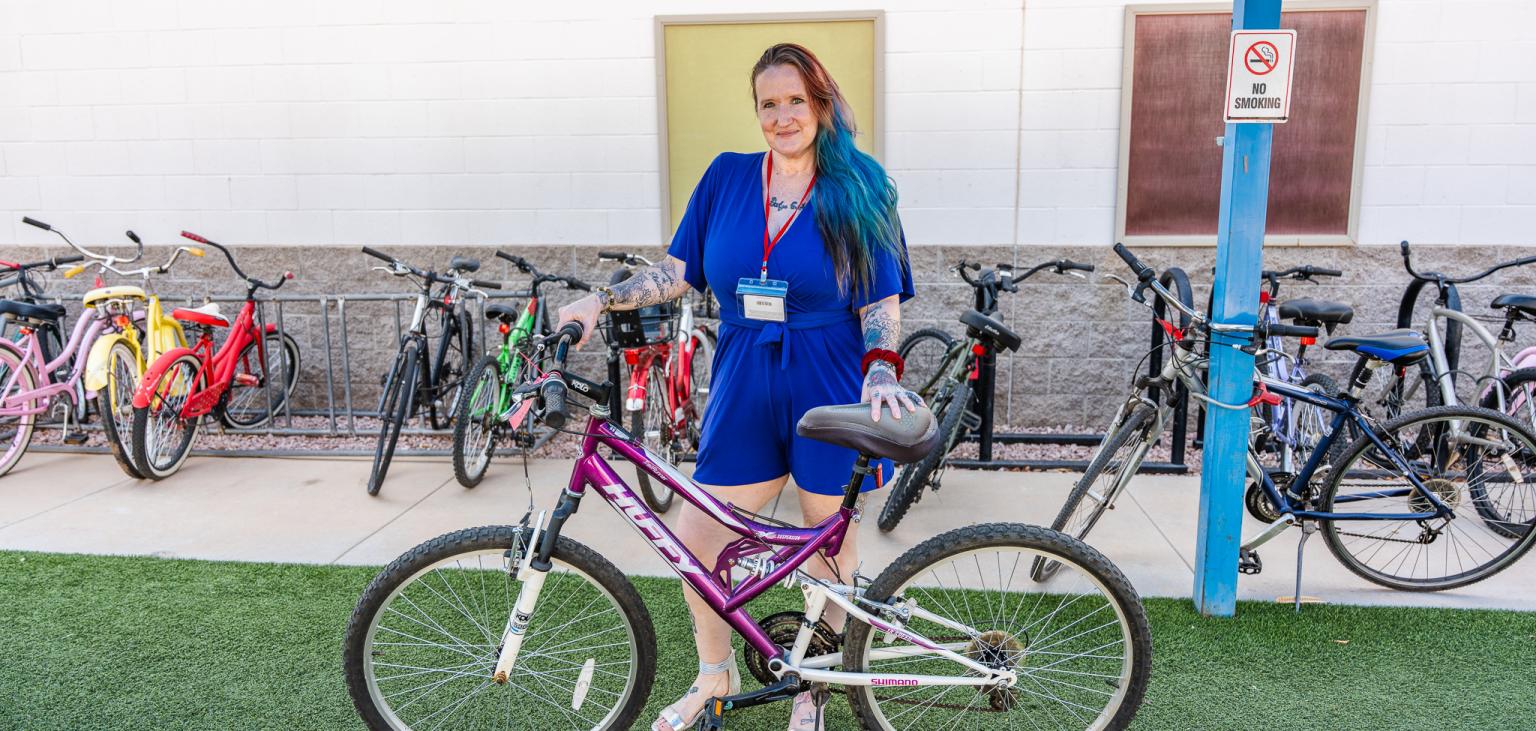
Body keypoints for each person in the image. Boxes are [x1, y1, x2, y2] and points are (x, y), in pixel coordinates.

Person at [556, 42, 916, 731]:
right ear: (757, 111)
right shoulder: (725, 178)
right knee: (696, 538)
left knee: (828, 546)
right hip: (745, 373)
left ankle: (808, 687)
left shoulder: (861, 184)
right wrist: (601, 300)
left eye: (796, 102)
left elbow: (881, 301)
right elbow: (676, 270)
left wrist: (880, 367)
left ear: (821, 104)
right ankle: (712, 676)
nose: (783, 117)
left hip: (830, 376)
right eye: (769, 104)